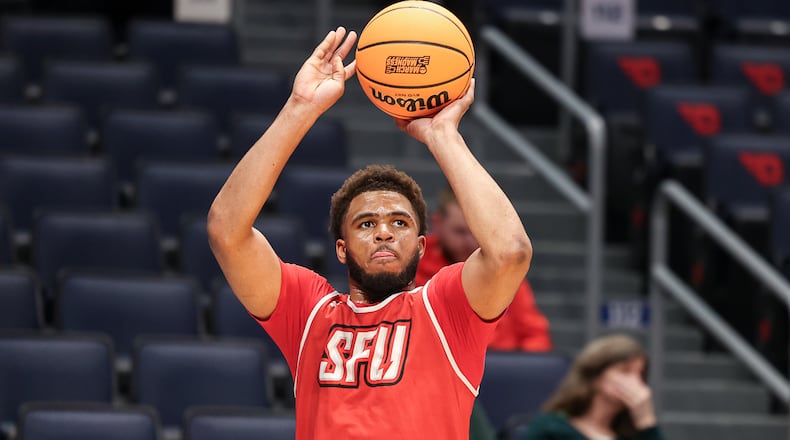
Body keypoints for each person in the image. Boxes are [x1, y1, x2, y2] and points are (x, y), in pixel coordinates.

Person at [207, 27, 532, 439]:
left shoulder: (446, 309)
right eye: (366, 224)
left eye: (399, 222)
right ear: (341, 249)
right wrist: (300, 107)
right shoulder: (308, 313)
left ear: (420, 245)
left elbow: (511, 252)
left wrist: (442, 135)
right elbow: (226, 230)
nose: (383, 232)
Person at [416, 185, 552, 352]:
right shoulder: (413, 263)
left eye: (476, 233)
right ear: (437, 222)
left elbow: (536, 335)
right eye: (460, 232)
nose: (470, 242)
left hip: (499, 367)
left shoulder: (503, 266)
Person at [523, 334, 664, 440]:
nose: (636, 381)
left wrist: (646, 420)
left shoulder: (635, 436)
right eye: (625, 371)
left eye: (640, 374)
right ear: (596, 375)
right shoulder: (551, 427)